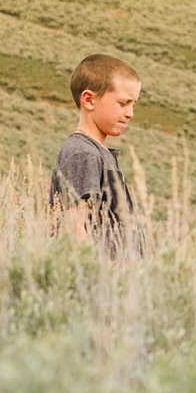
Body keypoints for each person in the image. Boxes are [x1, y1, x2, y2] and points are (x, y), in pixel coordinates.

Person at [50, 53, 142, 256]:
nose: (130, 113)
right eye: (123, 103)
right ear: (89, 100)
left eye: (133, 104)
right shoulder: (82, 153)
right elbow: (73, 230)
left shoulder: (97, 153)